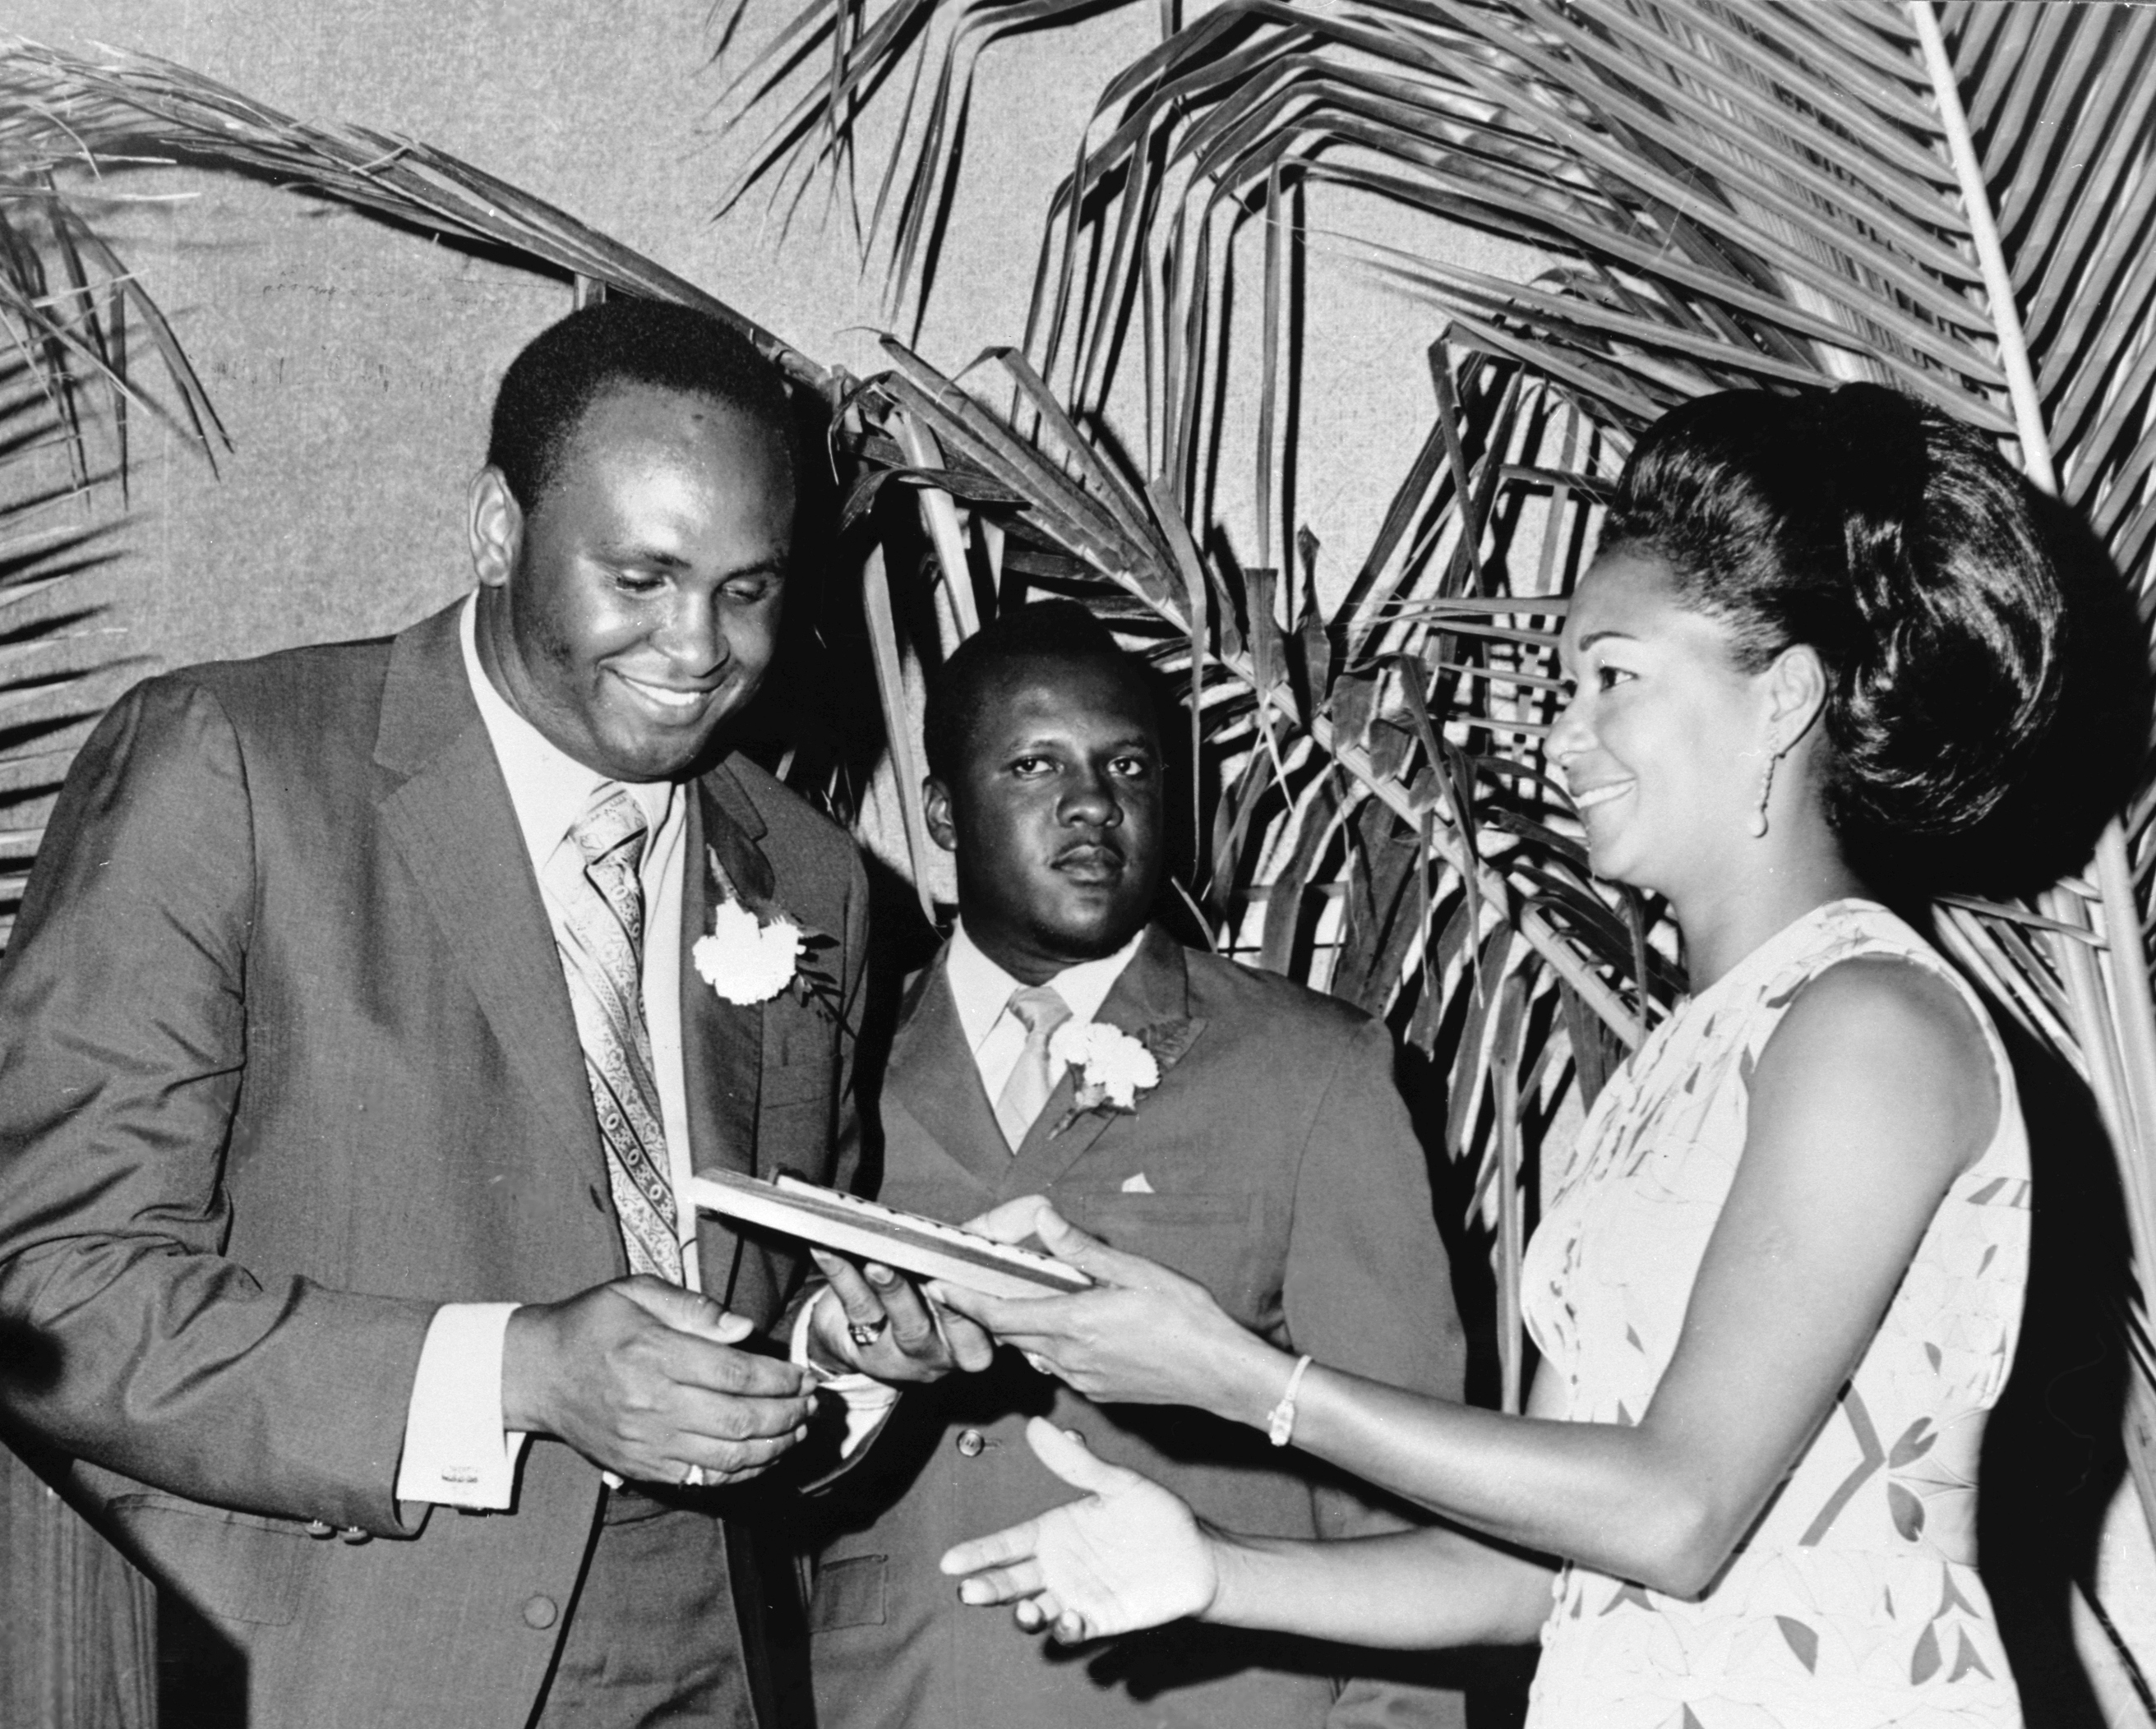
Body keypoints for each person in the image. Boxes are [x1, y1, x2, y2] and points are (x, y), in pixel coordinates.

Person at [937, 385, 2108, 1727]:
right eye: (1567, 685)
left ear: (1784, 695)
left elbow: (1677, 1510)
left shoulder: (1869, 1024)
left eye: (1614, 677)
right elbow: (1533, 1577)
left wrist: (1239, 1377)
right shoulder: (1676, 1069)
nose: (1561, 735)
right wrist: (1209, 1570)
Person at [0, 297, 979, 1729]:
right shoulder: (235, 768)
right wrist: (516, 1374)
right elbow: (50, 1286)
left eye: (750, 588)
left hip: (717, 1652)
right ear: (497, 532)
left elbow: (756, 1295)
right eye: (641, 575)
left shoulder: (814, 874)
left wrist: (834, 1364)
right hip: (339, 1654)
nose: (699, 646)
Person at [801, 600, 1472, 1727]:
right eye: (1033, 765)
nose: (1090, 805)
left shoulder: (1314, 1072)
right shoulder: (824, 1062)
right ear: (942, 815)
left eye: (1128, 767)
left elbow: (1410, 1499)